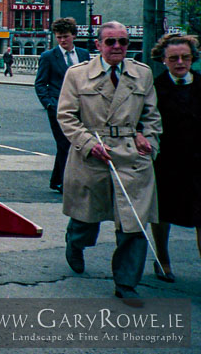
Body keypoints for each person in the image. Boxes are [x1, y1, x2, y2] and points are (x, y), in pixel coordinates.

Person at [58, 21, 161, 305]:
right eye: (111, 42)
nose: (117, 47)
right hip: (92, 156)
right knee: (86, 219)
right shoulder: (77, 75)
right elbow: (66, 116)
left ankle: (126, 283)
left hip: (132, 157)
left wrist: (148, 141)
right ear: (98, 45)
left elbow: (152, 115)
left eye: (123, 42)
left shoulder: (142, 74)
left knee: (134, 223)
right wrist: (89, 144)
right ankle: (75, 243)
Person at [149, 33, 201, 283]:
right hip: (167, 161)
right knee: (163, 212)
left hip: (199, 160)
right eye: (174, 58)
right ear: (163, 60)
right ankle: (162, 259)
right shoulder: (155, 87)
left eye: (185, 57)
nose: (180, 62)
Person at [34, 17, 90, 194]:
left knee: (76, 144)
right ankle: (65, 183)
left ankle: (57, 180)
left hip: (81, 108)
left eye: (65, 36)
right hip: (58, 108)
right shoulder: (48, 57)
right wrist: (49, 104)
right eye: (59, 37)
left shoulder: (83, 54)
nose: (62, 40)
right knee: (64, 144)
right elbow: (40, 83)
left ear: (73, 35)